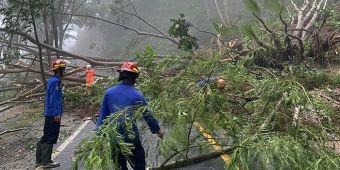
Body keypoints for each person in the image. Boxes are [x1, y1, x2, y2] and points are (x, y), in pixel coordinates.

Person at [97, 62, 164, 170]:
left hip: (113, 137)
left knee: (119, 166)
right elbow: (147, 115)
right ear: (134, 77)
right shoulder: (137, 94)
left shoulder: (108, 92)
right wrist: (157, 129)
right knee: (139, 165)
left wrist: (99, 137)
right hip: (130, 137)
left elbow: (103, 117)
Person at [35, 59, 66, 169]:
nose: (65, 71)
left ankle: (39, 160)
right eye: (64, 69)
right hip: (53, 113)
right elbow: (55, 99)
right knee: (51, 136)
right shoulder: (55, 81)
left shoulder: (52, 80)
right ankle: (46, 161)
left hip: (49, 112)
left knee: (46, 135)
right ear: (59, 70)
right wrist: (57, 114)